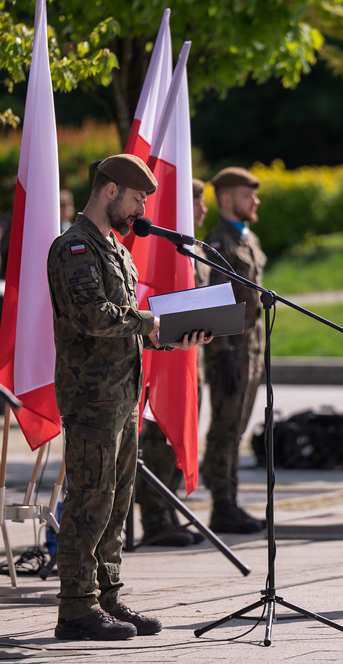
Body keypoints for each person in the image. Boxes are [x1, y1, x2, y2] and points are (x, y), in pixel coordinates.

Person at [47, 154, 211, 641]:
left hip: (122, 395)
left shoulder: (116, 249)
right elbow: (95, 316)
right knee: (89, 500)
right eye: (138, 197)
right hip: (91, 398)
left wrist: (171, 336)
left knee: (117, 500)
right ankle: (75, 608)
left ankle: (108, 596)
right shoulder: (75, 248)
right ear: (111, 190)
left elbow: (128, 323)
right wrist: (151, 323)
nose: (141, 209)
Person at [135, 178, 211, 547]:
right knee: (157, 440)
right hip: (154, 354)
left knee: (177, 437)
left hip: (187, 353)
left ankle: (169, 510)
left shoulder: (196, 249)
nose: (203, 208)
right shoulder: (158, 249)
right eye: (197, 200)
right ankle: (154, 517)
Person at [201, 167, 268, 534]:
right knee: (226, 429)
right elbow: (216, 303)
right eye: (247, 196)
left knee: (237, 429)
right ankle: (222, 504)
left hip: (251, 349)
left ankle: (230, 500)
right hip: (230, 351)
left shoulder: (248, 238)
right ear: (226, 199)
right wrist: (223, 353)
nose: (254, 201)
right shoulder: (219, 242)